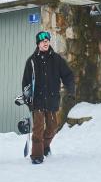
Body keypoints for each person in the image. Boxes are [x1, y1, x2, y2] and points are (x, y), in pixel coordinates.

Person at [22, 31, 75, 164]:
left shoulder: (57, 59)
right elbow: (26, 82)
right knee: (38, 128)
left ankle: (45, 147)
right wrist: (27, 98)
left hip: (52, 99)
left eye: (47, 41)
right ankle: (37, 156)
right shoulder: (32, 61)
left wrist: (71, 89)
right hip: (37, 100)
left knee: (53, 127)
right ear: (38, 44)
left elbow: (67, 75)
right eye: (42, 41)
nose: (45, 43)